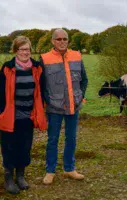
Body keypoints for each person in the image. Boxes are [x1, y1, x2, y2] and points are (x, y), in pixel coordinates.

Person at [0, 36, 47, 194]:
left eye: (28, 49)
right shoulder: (7, 67)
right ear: (16, 51)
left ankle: (21, 176)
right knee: (9, 148)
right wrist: (3, 111)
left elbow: (42, 91)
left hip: (28, 116)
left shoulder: (37, 68)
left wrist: (39, 110)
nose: (25, 52)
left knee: (25, 147)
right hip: (10, 117)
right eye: (22, 49)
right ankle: (8, 179)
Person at [40, 28, 88, 185]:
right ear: (53, 41)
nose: (62, 42)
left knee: (71, 138)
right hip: (54, 108)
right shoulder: (45, 59)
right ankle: (50, 171)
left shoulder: (77, 56)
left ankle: (69, 168)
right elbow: (41, 85)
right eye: (58, 39)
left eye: (64, 39)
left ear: (68, 41)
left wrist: (80, 97)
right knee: (53, 139)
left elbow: (84, 80)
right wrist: (48, 101)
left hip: (74, 106)